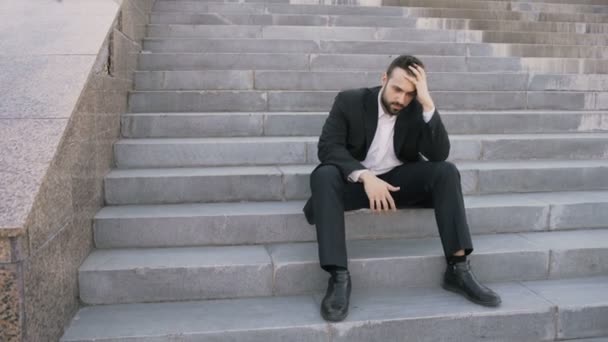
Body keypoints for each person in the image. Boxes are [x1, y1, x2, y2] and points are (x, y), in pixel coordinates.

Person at [302, 55, 502, 322]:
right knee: (324, 175)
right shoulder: (350, 100)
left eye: (410, 93)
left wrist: (427, 103)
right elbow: (328, 148)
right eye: (397, 89)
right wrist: (365, 177)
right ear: (384, 79)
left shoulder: (415, 108)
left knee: (447, 172)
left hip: (396, 184)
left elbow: (439, 154)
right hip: (356, 185)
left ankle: (458, 269)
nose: (401, 99)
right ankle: (339, 278)